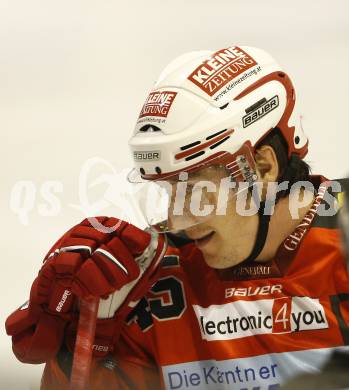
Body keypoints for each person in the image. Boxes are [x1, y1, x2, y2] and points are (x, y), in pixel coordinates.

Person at [5, 46, 349, 389]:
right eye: (169, 191)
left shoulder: (340, 248)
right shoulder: (147, 281)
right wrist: (85, 343)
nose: (177, 218)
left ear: (261, 167)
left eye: (195, 191)